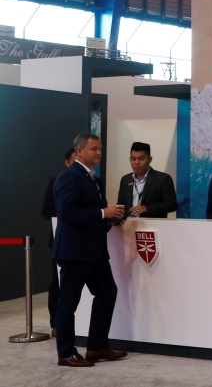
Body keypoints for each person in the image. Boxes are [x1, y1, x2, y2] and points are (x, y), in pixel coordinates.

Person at [52, 133, 127, 367]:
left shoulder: (94, 179)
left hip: (94, 251)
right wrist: (104, 213)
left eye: (100, 149)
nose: (98, 153)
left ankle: (96, 346)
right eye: (94, 149)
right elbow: (67, 213)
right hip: (74, 252)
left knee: (107, 292)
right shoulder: (69, 177)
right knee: (68, 303)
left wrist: (111, 219)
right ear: (80, 151)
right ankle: (65, 352)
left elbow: (92, 214)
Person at [42, 148, 76, 338]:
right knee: (57, 283)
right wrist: (65, 214)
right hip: (59, 239)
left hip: (80, 241)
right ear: (67, 162)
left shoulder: (90, 182)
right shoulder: (56, 181)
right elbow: (46, 211)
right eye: (74, 160)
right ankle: (55, 323)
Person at [115, 142, 178, 218]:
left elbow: (172, 205)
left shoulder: (163, 179)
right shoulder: (125, 180)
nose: (136, 162)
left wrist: (147, 208)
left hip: (154, 226)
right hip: (129, 226)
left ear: (150, 159)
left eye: (141, 159)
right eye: (133, 159)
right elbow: (121, 205)